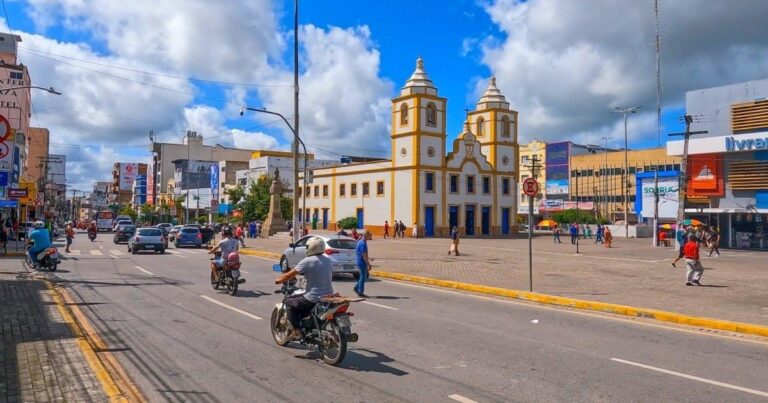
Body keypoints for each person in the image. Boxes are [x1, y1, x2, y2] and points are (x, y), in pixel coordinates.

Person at [275, 237, 334, 339]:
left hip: (313, 297)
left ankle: (296, 331)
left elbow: (290, 274)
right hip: (328, 295)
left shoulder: (307, 261)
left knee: (288, 302)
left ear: (311, 247)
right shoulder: (328, 260)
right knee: (300, 299)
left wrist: (279, 280)